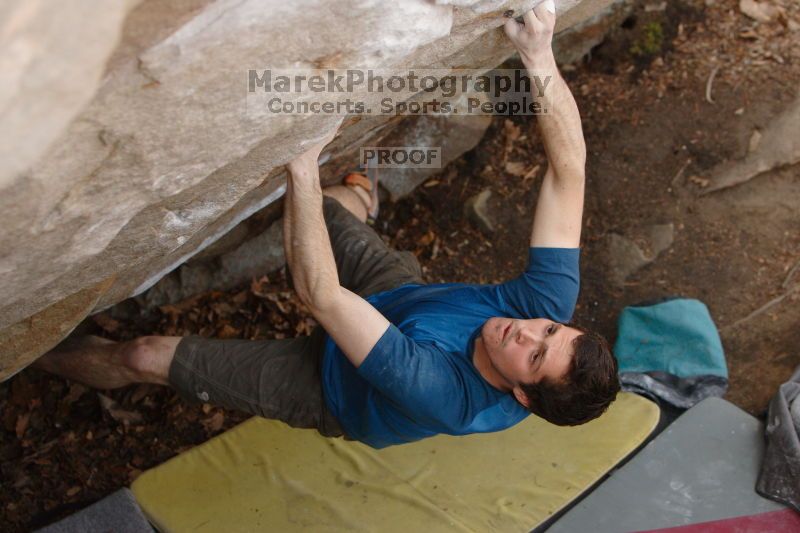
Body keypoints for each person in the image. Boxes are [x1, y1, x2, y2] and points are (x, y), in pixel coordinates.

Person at [35, 4, 619, 449]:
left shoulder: (447, 396)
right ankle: (363, 196)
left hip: (331, 387)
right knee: (329, 211)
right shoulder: (545, 305)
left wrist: (301, 162)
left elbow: (319, 295)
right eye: (548, 331)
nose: (527, 333)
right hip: (399, 297)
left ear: (520, 394)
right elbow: (570, 174)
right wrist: (538, 56)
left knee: (142, 356)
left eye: (536, 357)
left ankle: (35, 359)